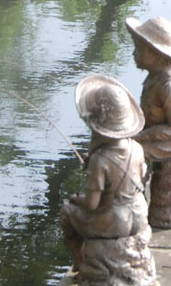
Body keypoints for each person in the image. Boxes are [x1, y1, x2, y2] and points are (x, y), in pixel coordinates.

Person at [60, 74, 149, 272]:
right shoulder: (137, 148)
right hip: (140, 213)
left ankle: (79, 263)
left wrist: (76, 199)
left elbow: (92, 204)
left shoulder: (100, 160)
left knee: (67, 211)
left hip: (115, 221)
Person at [126, 15, 171, 229]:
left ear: (154, 55)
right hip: (157, 133)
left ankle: (129, 209)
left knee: (126, 157)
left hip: (170, 141)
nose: (134, 54)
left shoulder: (169, 86)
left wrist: (142, 136)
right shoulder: (155, 76)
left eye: (139, 49)